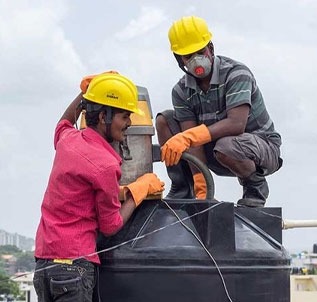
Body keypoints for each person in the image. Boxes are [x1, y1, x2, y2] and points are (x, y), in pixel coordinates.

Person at [33, 72, 165, 302]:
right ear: (104, 115)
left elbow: (63, 122)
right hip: (74, 269)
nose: (129, 124)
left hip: (44, 264)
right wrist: (138, 191)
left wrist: (85, 92)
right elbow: (110, 225)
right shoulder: (105, 164)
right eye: (124, 116)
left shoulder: (68, 140)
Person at [156, 16, 282, 207]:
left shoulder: (236, 73)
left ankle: (254, 186)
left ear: (211, 48)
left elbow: (236, 124)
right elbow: (193, 143)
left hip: (259, 149)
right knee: (165, 120)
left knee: (225, 145)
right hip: (216, 150)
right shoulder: (181, 91)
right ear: (180, 60)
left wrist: (189, 137)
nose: (196, 59)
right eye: (188, 56)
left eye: (200, 51)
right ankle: (185, 189)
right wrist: (203, 191)